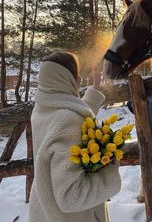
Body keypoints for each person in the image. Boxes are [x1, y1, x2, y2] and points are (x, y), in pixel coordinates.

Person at [28, 51, 121, 222]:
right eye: (76, 75)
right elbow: (71, 197)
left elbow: (68, 119)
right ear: (68, 78)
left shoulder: (42, 110)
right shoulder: (69, 121)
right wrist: (110, 173)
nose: (78, 80)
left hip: (44, 213)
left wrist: (94, 91)